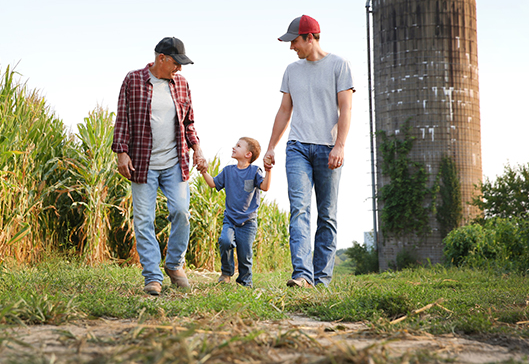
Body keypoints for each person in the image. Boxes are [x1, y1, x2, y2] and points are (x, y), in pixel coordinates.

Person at [112, 36, 208, 296]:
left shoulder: (182, 84)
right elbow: (123, 118)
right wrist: (121, 152)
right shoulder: (133, 80)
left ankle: (174, 265)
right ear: (161, 58)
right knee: (144, 220)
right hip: (143, 163)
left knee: (181, 212)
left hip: (175, 162)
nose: (180, 69)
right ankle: (152, 276)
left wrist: (197, 149)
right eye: (177, 63)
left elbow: (189, 123)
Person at [263, 15, 354, 288]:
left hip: (328, 149)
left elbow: (346, 109)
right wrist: (270, 147)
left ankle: (322, 280)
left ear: (310, 38)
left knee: (327, 215)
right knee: (299, 210)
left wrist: (340, 145)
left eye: (295, 41)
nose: (292, 47)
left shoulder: (339, 66)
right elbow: (284, 111)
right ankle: (302, 275)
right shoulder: (292, 70)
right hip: (297, 148)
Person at [201, 137, 271, 288]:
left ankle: (245, 281)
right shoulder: (228, 171)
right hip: (230, 219)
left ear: (248, 154)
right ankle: (226, 273)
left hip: (248, 222)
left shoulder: (254, 171)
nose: (234, 147)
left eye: (238, 146)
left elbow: (265, 187)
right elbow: (213, 183)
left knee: (245, 254)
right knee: (225, 241)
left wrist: (269, 170)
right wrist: (203, 172)